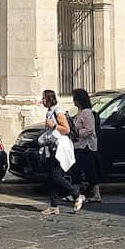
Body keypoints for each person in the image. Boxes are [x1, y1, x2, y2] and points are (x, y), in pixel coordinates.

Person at [38, 89, 84, 218]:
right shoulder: (50, 111)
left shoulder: (58, 111)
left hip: (59, 148)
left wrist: (53, 126)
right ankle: (54, 205)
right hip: (51, 147)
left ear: (49, 99)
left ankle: (76, 194)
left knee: (56, 175)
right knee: (51, 176)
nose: (42, 101)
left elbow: (66, 129)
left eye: (44, 98)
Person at [71, 88, 100, 203]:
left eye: (75, 99)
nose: (73, 101)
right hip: (80, 145)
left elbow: (89, 130)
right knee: (89, 170)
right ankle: (95, 194)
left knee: (77, 168)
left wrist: (76, 133)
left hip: (86, 146)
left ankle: (76, 193)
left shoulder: (87, 113)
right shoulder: (80, 112)